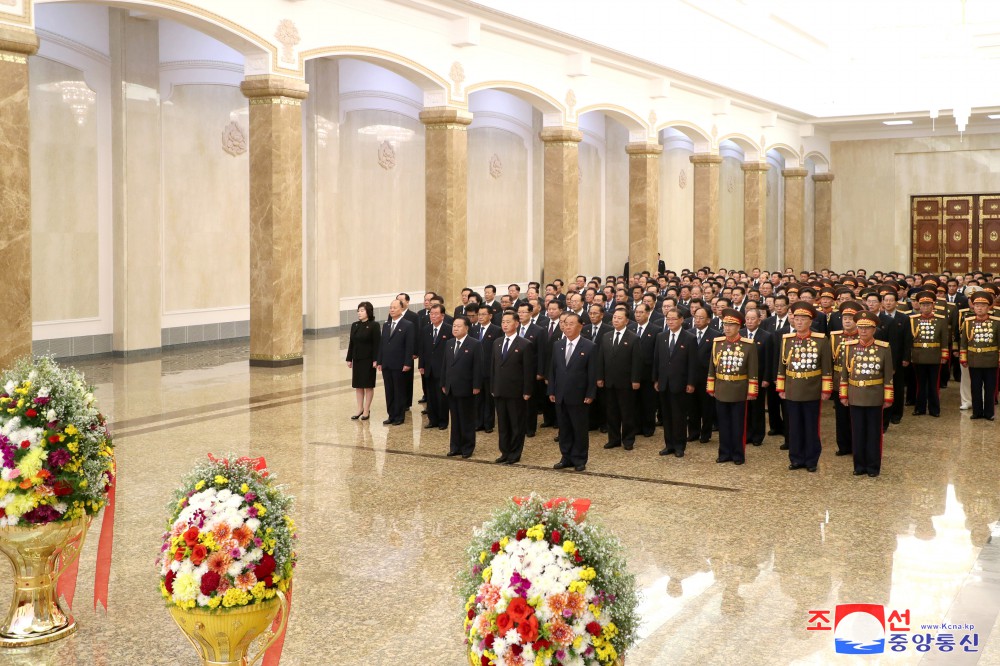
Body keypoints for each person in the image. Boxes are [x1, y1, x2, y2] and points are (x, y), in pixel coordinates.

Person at [776, 302, 832, 473]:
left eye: (803, 319)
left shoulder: (821, 340)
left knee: (810, 426)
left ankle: (811, 459)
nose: (799, 322)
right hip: (792, 389)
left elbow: (826, 367)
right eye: (796, 319)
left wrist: (826, 389)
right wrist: (781, 388)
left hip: (811, 389)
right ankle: (796, 458)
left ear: (810, 321)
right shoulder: (787, 340)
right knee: (794, 427)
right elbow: (782, 366)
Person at [839, 312, 894, 477]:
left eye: (867, 328)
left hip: (874, 395)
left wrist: (888, 397)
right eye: (860, 327)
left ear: (874, 329)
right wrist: (843, 394)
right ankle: (859, 465)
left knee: (873, 433)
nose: (863, 331)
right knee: (857, 432)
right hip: (855, 395)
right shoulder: (849, 347)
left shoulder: (883, 348)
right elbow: (844, 374)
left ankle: (873, 466)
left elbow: (888, 375)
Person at [707, 308, 759, 465]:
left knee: (738, 424)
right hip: (721, 389)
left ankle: (737, 454)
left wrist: (752, 391)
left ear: (738, 327)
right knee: (723, 424)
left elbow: (753, 371)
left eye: (731, 325)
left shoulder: (748, 345)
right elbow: (712, 367)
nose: (727, 328)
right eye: (725, 325)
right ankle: (724, 452)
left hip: (738, 389)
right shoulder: (718, 343)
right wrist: (711, 387)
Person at [548, 313, 598, 472]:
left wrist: (590, 394)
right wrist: (551, 390)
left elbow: (592, 373)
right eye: (565, 324)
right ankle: (566, 457)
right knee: (564, 428)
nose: (567, 327)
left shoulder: (589, 346)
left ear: (580, 326)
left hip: (579, 395)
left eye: (571, 324)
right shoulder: (558, 345)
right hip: (560, 394)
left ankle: (580, 458)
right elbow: (553, 370)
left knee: (579, 428)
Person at [491, 310, 535, 464]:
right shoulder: (497, 343)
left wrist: (527, 391)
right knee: (503, 425)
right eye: (503, 322)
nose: (505, 324)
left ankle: (515, 453)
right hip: (499, 390)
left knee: (516, 425)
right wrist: (493, 387)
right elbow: (493, 367)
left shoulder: (525, 344)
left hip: (516, 392)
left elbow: (528, 371)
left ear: (516, 324)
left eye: (508, 322)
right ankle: (504, 451)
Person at [653, 307, 697, 457]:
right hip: (664, 383)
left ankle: (679, 446)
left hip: (681, 383)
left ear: (681, 320)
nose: (670, 321)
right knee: (666, 416)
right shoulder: (661, 336)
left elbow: (693, 363)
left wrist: (691, 383)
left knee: (679, 416)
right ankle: (669, 444)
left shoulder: (689, 338)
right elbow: (656, 360)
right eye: (668, 319)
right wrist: (656, 379)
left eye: (673, 319)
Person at [596, 307, 642, 451]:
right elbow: (601, 358)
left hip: (626, 382)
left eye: (619, 318)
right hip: (609, 381)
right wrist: (600, 377)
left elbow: (637, 361)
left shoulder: (633, 338)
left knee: (627, 412)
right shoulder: (606, 336)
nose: (616, 320)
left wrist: (635, 379)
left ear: (627, 321)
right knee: (611, 411)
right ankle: (613, 439)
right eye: (614, 317)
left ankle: (628, 439)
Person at [440, 316, 483, 458]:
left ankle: (467, 447)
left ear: (466, 328)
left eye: (458, 326)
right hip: (451, 387)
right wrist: (444, 383)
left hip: (467, 387)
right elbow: (445, 365)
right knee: (455, 418)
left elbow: (478, 366)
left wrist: (476, 385)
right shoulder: (449, 343)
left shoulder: (475, 344)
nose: (455, 328)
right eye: (454, 326)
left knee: (467, 419)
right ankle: (455, 446)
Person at [959, 292, 1000, 421]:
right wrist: (963, 358)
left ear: (988, 307)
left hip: (990, 359)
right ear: (973, 307)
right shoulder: (968, 322)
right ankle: (977, 412)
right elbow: (964, 342)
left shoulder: (996, 322)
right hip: (974, 359)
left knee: (990, 388)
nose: (980, 308)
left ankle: (989, 413)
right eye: (977, 305)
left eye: (983, 305)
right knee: (975, 387)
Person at [829, 301, 863, 456]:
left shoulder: (863, 336)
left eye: (851, 318)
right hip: (838, 380)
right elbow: (829, 360)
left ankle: (858, 445)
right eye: (845, 318)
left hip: (858, 381)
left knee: (856, 414)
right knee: (841, 415)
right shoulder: (835, 337)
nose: (847, 321)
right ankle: (843, 445)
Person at [908, 291, 949, 417]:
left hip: (934, 355)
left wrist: (944, 355)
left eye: (928, 305)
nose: (925, 307)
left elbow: (944, 339)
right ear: (919, 306)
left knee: (933, 384)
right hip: (918, 355)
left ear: (933, 305)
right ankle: (920, 408)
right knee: (920, 383)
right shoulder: (913, 320)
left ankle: (934, 409)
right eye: (923, 305)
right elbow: (909, 339)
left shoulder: (940, 320)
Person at [377, 299, 415, 425]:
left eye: (395, 307)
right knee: (389, 390)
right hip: (387, 363)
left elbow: (409, 346)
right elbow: (382, 344)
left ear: (401, 308)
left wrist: (407, 363)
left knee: (399, 390)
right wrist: (380, 361)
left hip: (400, 364)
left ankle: (399, 416)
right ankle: (391, 414)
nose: (392, 310)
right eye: (390, 307)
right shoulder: (386, 325)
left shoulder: (407, 325)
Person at [417, 303, 452, 430]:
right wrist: (421, 365)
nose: (433, 316)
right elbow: (422, 349)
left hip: (442, 368)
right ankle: (433, 420)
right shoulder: (425, 329)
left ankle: (443, 421)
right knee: (430, 396)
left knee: (441, 397)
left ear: (442, 315)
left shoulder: (448, 329)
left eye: (436, 314)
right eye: (431, 314)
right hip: (428, 368)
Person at [689, 307, 721, 443]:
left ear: (708, 320)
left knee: (706, 407)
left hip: (706, 377)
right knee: (692, 407)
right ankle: (693, 432)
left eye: (701, 317)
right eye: (696, 317)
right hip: (691, 376)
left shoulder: (716, 335)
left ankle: (706, 433)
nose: (698, 320)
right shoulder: (688, 333)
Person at [740, 307, 772, 446]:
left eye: (753, 319)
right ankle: (746, 434)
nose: (750, 321)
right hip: (741, 378)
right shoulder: (740, 334)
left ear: (759, 320)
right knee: (744, 407)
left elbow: (768, 359)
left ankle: (758, 435)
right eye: (747, 319)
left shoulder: (766, 336)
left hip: (758, 378)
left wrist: (766, 378)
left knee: (757, 408)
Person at [346, 301, 380, 420]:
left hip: (369, 359)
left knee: (368, 385)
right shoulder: (355, 325)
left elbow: (377, 344)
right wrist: (349, 358)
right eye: (358, 310)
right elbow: (352, 343)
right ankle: (359, 408)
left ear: (368, 312)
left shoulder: (374, 325)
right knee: (358, 385)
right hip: (357, 359)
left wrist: (376, 360)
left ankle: (366, 409)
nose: (359, 313)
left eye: (362, 310)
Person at [471, 305, 502, 433]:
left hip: (490, 370)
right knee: (478, 398)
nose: (481, 317)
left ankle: (489, 424)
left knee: (489, 399)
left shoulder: (496, 330)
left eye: (484, 314)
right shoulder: (474, 330)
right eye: (479, 314)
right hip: (476, 370)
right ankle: (479, 422)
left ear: (490, 316)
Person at [633, 303, 663, 438]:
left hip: (648, 371)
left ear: (648, 313)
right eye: (636, 312)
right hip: (634, 372)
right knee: (635, 401)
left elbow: (657, 354)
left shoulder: (656, 330)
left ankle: (648, 427)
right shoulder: (630, 328)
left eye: (641, 312)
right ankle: (637, 426)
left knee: (648, 401)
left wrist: (656, 375)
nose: (638, 315)